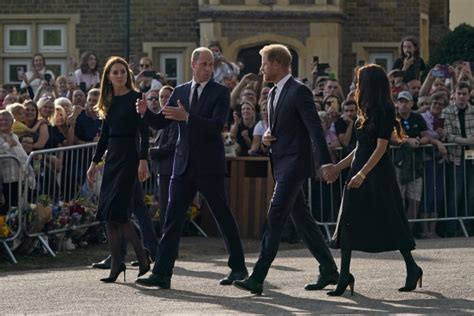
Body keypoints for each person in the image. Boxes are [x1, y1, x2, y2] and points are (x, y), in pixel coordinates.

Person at [135, 47, 247, 289]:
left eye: (211, 65)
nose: (209, 68)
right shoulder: (181, 90)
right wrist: (146, 114)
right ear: (193, 64)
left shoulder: (220, 93)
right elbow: (163, 121)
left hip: (209, 166)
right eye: (204, 64)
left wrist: (187, 117)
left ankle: (238, 268)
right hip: (182, 166)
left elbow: (216, 126)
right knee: (172, 220)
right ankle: (162, 273)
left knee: (223, 216)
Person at [232, 44, 339, 295]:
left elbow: (314, 129)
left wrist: (325, 163)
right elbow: (282, 128)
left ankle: (257, 277)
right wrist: (269, 136)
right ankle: (329, 269)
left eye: (264, 63)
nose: (261, 69)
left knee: (275, 217)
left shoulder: (299, 91)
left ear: (278, 64)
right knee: (303, 221)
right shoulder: (270, 93)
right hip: (280, 163)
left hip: (295, 166)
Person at [328, 64, 421, 296]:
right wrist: (338, 168)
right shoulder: (365, 111)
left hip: (378, 175)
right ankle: (344, 275)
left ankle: (412, 267)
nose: (357, 86)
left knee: (391, 220)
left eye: (360, 81)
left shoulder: (385, 110)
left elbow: (381, 147)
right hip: (359, 172)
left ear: (370, 84)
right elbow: (360, 147)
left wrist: (362, 173)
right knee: (347, 222)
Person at [86, 56, 151, 283]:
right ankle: (117, 264)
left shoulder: (136, 97)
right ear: (108, 76)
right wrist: (94, 163)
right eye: (115, 72)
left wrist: (143, 160)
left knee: (119, 212)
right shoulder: (109, 99)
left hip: (130, 156)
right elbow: (104, 135)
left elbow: (144, 132)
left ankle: (142, 256)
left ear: (128, 75)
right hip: (112, 156)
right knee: (108, 215)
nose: (120, 75)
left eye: (123, 71)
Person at [148, 85, 178, 236]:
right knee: (162, 205)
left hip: (169, 169)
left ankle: (168, 240)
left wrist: (150, 152)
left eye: (167, 97)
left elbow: (171, 146)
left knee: (167, 207)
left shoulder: (174, 119)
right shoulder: (163, 118)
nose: (164, 100)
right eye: (161, 97)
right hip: (162, 169)